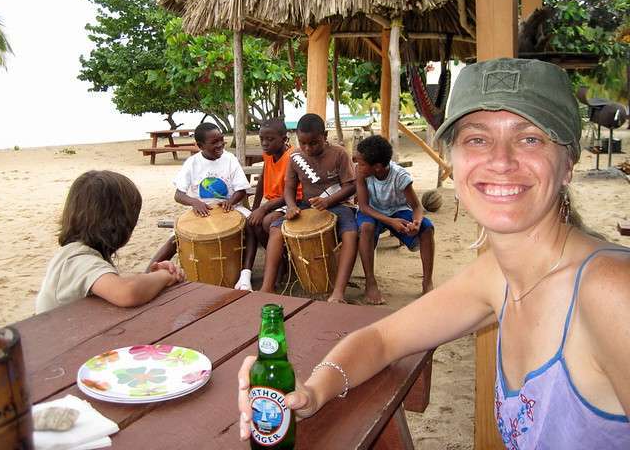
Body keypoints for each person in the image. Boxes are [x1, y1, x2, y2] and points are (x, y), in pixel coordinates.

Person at [238, 59, 630, 448]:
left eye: (530, 138)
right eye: (477, 138)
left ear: (567, 165)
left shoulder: (612, 291)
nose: (500, 160)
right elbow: (382, 338)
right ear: (455, 159)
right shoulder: (499, 274)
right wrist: (312, 392)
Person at [36, 170, 184, 313]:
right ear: (120, 224)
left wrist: (150, 279)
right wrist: (164, 276)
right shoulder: (79, 260)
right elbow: (127, 292)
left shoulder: (76, 253)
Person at [260, 113, 358, 303]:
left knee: (350, 234)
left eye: (313, 143)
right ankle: (268, 286)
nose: (307, 148)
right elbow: (289, 187)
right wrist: (290, 206)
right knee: (275, 229)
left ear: (325, 136)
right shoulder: (296, 156)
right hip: (306, 206)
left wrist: (328, 202)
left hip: (339, 204)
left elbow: (351, 186)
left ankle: (338, 292)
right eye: (303, 143)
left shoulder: (339, 154)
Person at [173, 122, 257, 291]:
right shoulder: (192, 163)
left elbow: (241, 190)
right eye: (214, 142)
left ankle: (245, 275)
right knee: (175, 236)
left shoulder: (229, 159)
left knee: (251, 228)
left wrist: (231, 201)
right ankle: (151, 271)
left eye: (221, 140)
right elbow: (178, 195)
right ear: (200, 145)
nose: (220, 145)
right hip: (202, 210)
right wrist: (195, 202)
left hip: (230, 208)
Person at [354, 135, 435, 303]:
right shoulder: (361, 172)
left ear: (377, 167)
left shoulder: (400, 177)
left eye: (362, 163)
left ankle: (427, 281)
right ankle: (371, 282)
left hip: (397, 211)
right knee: (366, 228)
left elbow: (417, 207)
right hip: (372, 211)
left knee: (427, 229)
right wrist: (390, 222)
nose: (358, 166)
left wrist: (417, 223)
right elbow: (363, 206)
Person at [248, 118, 302, 248]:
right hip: (274, 202)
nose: (265, 143)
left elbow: (294, 194)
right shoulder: (268, 154)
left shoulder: (292, 157)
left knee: (267, 222)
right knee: (252, 222)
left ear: (284, 139)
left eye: (270, 139)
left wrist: (263, 208)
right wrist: (255, 208)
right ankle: (277, 258)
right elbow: (262, 179)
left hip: (292, 202)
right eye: (262, 139)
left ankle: (281, 258)